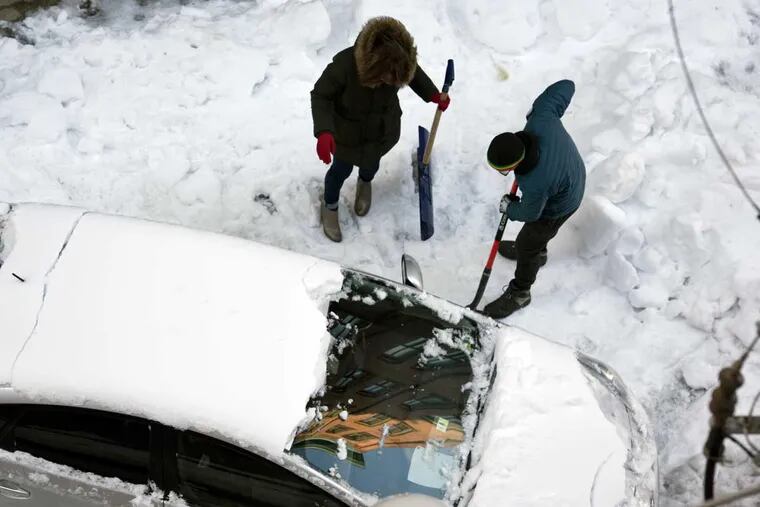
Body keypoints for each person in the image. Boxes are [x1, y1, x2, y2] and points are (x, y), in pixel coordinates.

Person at [310, 16, 450, 242]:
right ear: (374, 66)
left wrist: (433, 94)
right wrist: (324, 131)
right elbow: (320, 95)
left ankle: (365, 182)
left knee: (371, 165)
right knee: (339, 172)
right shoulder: (345, 65)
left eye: (397, 79)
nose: (392, 82)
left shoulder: (399, 65)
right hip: (347, 135)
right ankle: (330, 205)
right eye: (387, 77)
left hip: (381, 132)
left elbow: (414, 74)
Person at [482, 79, 586, 319]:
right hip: (571, 172)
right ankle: (539, 253)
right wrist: (537, 108)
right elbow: (567, 85)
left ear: (516, 163)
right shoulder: (541, 117)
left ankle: (520, 293)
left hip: (563, 201)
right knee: (535, 239)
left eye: (505, 170)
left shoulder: (536, 181)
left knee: (528, 241)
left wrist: (510, 208)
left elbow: (531, 213)